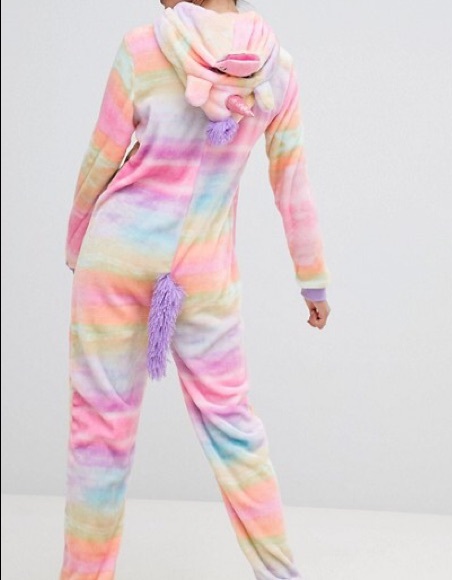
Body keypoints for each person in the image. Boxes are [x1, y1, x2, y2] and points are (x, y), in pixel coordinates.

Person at [61, 0, 331, 578]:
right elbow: (292, 181)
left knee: (99, 431)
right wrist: (311, 279)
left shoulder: (143, 46)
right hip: (205, 267)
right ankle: (281, 574)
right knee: (234, 428)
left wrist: (76, 238)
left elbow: (102, 156)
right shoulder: (276, 68)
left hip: (117, 254)